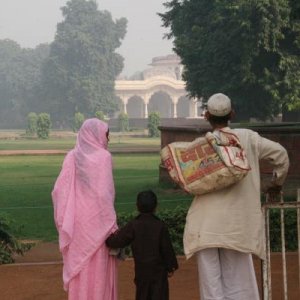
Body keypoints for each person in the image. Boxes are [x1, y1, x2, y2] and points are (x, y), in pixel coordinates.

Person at [183, 93, 290, 300]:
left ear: (206, 116)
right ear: (232, 114)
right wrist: (275, 184)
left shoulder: (201, 146)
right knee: (240, 286)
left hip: (205, 226)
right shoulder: (248, 138)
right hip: (236, 225)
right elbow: (281, 156)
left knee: (211, 290)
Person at [52, 118, 118, 300]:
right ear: (95, 135)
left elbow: (59, 191)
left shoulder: (71, 156)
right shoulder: (104, 158)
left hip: (76, 223)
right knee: (98, 269)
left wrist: (65, 217)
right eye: (106, 135)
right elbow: (104, 195)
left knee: (80, 267)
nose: (108, 139)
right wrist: (111, 224)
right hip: (99, 224)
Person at [106, 190, 178, 300]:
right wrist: (171, 266)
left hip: (142, 273)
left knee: (142, 296)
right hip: (159, 273)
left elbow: (116, 241)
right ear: (156, 206)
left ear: (137, 206)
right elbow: (167, 249)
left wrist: (107, 236)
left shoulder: (134, 225)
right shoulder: (160, 226)